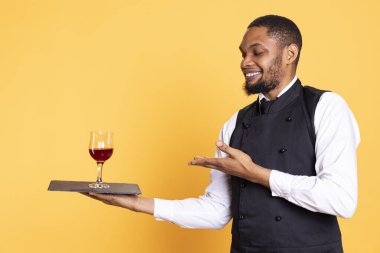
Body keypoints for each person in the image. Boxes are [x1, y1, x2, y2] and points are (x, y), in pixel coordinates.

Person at [83, 15, 360, 253]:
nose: (245, 62)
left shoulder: (326, 107)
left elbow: (341, 199)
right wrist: (135, 203)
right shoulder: (235, 124)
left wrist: (256, 174)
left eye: (256, 52)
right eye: (242, 54)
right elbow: (216, 211)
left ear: (290, 53)